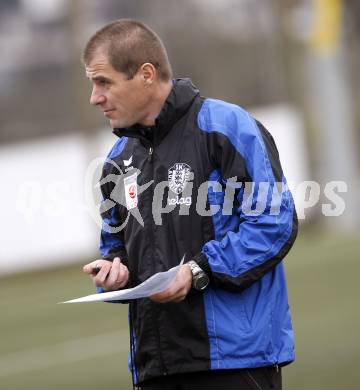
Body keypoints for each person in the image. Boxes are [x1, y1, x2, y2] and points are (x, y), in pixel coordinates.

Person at [82, 19, 298, 390]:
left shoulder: (226, 127)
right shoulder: (116, 161)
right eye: (92, 84)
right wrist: (114, 273)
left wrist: (198, 271)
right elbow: (114, 247)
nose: (94, 97)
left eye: (104, 82)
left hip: (234, 364)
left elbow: (273, 223)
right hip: (156, 366)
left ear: (146, 75)